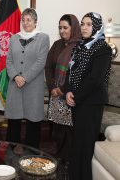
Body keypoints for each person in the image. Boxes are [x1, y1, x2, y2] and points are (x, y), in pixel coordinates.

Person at [66, 12, 112, 180]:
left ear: (97, 27)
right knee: (77, 143)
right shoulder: (80, 46)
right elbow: (71, 71)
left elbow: (95, 79)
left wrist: (75, 96)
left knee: (85, 145)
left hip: (91, 103)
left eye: (89, 24)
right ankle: (74, 175)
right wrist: (68, 91)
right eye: (83, 24)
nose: (84, 27)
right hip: (78, 101)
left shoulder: (103, 49)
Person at [5, 8, 49, 149]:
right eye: (23, 20)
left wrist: (25, 78)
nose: (25, 23)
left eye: (29, 20)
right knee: (14, 121)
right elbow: (9, 61)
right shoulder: (14, 38)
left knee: (33, 121)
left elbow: (41, 62)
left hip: (33, 86)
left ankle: (31, 153)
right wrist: (16, 76)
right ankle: (11, 152)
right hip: (15, 85)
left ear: (36, 22)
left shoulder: (43, 38)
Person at [45, 14, 81, 163]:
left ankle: (68, 159)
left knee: (69, 131)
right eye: (60, 28)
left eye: (65, 28)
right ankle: (59, 156)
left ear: (73, 28)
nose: (62, 31)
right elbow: (48, 67)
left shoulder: (81, 46)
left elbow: (77, 72)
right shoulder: (57, 44)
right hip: (55, 94)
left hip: (69, 95)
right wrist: (53, 87)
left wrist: (62, 89)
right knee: (57, 130)